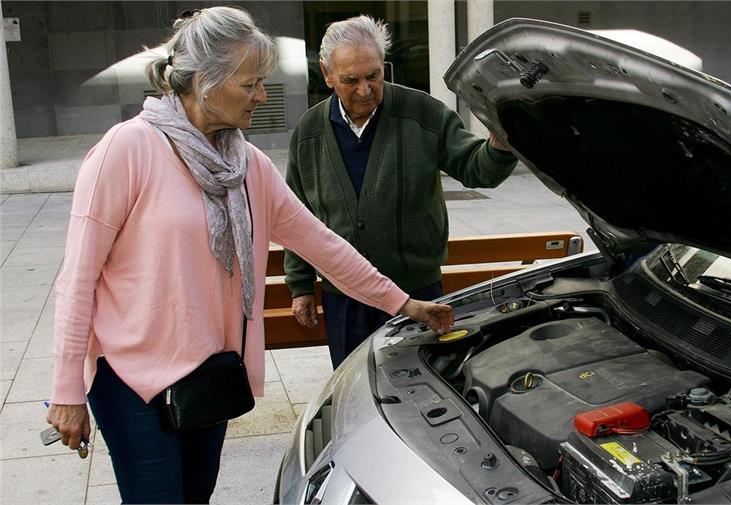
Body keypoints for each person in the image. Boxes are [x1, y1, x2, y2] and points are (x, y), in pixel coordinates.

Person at [45, 7, 452, 504]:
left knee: (196, 496)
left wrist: (404, 304)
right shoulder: (126, 150)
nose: (262, 95)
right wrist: (67, 391)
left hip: (211, 375)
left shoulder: (246, 164)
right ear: (205, 82)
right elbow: (76, 279)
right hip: (131, 380)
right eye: (251, 84)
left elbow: (323, 245)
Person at [284, 15, 518, 369]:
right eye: (350, 80)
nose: (364, 90)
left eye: (373, 76)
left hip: (416, 291)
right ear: (327, 73)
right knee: (352, 385)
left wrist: (499, 145)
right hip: (344, 296)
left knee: (419, 383)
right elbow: (296, 214)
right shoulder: (310, 130)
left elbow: (476, 167)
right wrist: (300, 285)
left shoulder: (422, 113)